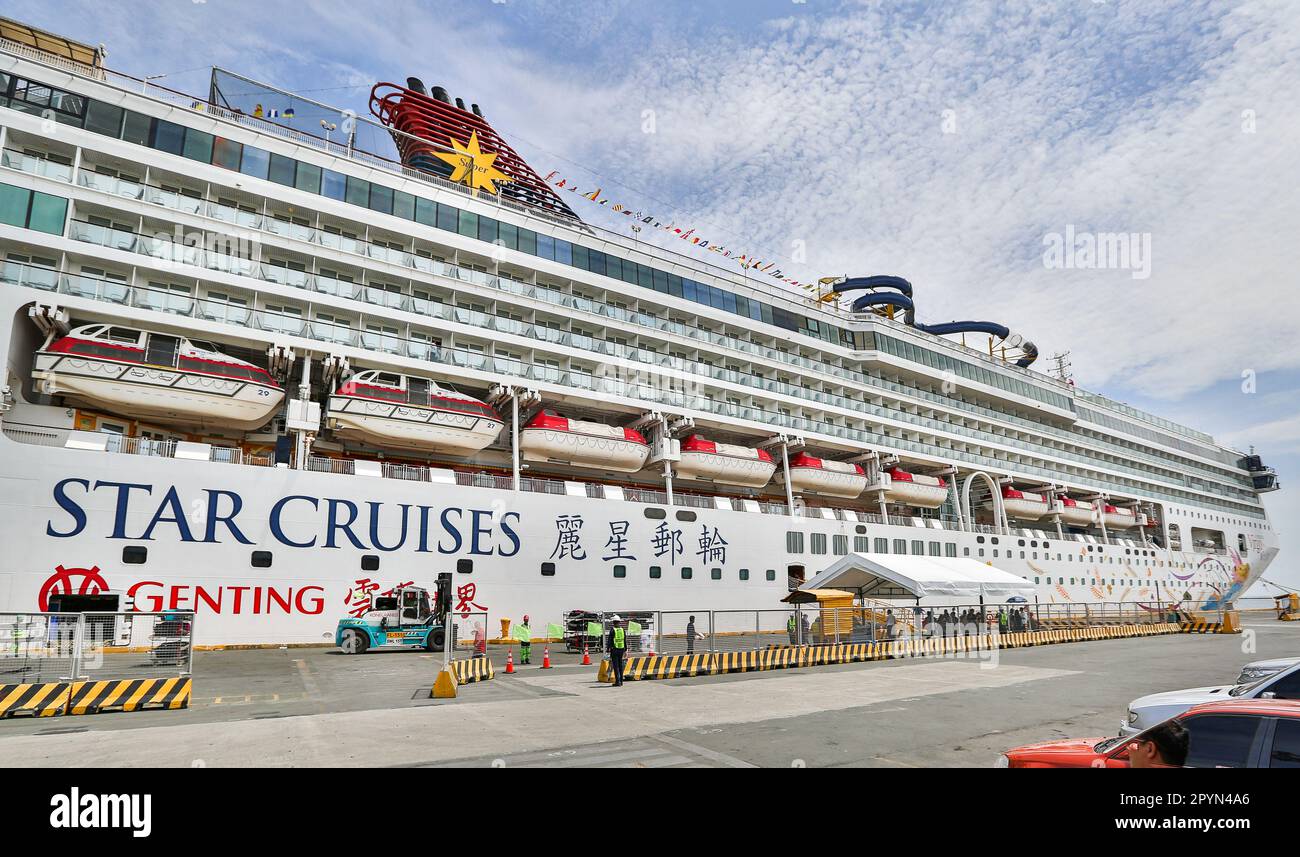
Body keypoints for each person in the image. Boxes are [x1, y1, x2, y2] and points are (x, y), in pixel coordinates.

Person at [607, 615, 627, 686]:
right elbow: (624, 640)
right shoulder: (622, 630)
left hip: (614, 650)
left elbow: (609, 640)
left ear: (613, 622)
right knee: (620, 665)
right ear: (619, 622)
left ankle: (617, 681)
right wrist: (625, 650)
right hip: (621, 649)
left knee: (616, 666)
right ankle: (621, 681)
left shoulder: (612, 630)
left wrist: (608, 650)